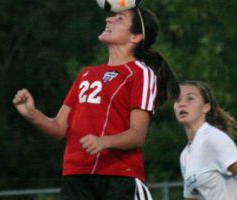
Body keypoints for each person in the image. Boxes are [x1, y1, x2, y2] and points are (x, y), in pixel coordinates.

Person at [13, 6, 178, 200]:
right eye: (112, 16)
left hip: (119, 176)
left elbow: (137, 135)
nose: (109, 20)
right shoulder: (86, 74)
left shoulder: (140, 73)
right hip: (76, 176)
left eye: (120, 18)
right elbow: (59, 128)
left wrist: (104, 141)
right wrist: (33, 114)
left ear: (135, 37)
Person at [173, 80, 237, 200]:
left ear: (206, 107)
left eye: (190, 98)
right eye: (178, 100)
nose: (182, 104)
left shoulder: (213, 138)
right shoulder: (185, 156)